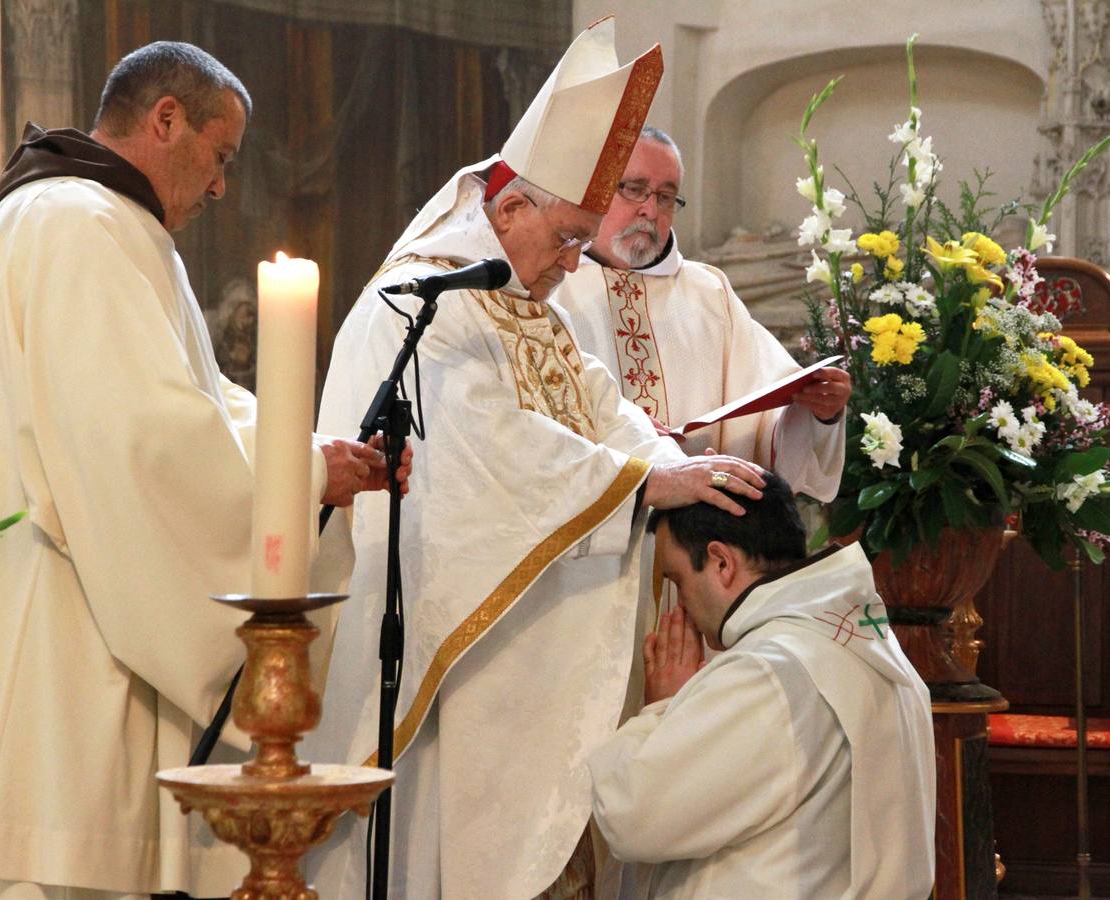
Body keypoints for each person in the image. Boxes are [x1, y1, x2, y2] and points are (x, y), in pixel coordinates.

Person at [0, 41, 403, 899]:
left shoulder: (97, 224)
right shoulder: (75, 225)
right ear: (165, 120)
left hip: (69, 645)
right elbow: (143, 443)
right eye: (221, 155)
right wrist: (300, 482)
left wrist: (307, 460)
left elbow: (193, 402)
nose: (224, 184)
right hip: (56, 673)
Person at [304, 17, 767, 899]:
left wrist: (658, 458)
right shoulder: (420, 300)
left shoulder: (525, 302)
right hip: (458, 644)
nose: (574, 260)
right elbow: (483, 450)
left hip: (524, 637)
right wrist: (642, 483)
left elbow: (604, 406)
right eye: (565, 236)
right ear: (508, 206)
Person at [587, 474, 936, 899]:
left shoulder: (770, 671)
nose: (681, 604)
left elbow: (632, 817)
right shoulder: (876, 652)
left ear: (720, 562)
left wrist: (661, 711)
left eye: (677, 580)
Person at [554, 126, 849, 498]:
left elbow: (771, 411)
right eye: (634, 189)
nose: (649, 209)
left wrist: (821, 412)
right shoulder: (551, 284)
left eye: (665, 197)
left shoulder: (709, 292)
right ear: (595, 189)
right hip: (597, 519)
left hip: (701, 533)